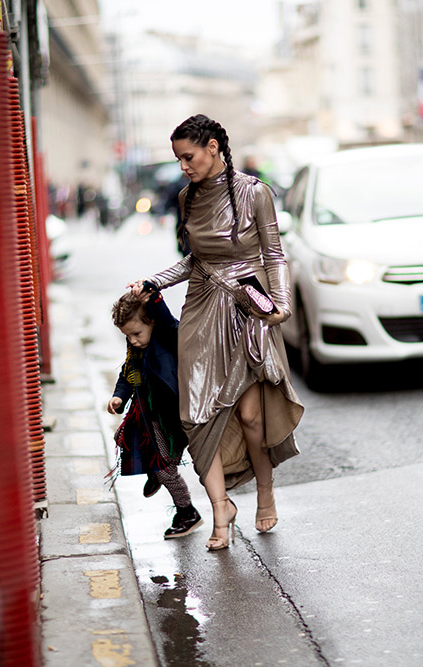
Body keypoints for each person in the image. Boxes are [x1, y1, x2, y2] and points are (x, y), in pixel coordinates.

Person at [129, 114, 303, 551]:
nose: (183, 167)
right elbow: (194, 260)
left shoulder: (255, 192)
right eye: (178, 159)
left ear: (212, 147)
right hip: (201, 309)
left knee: (250, 416)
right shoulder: (187, 197)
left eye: (188, 157)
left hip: (248, 308)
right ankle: (220, 509)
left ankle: (264, 490)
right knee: (196, 414)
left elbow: (274, 253)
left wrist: (280, 305)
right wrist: (156, 281)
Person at [107, 290, 203, 540]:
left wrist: (154, 297)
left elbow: (169, 321)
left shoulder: (167, 336)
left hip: (173, 418)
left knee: (164, 469)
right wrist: (120, 396)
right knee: (124, 438)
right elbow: (128, 372)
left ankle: (187, 512)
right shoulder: (136, 347)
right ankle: (154, 469)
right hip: (148, 414)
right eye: (128, 336)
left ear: (151, 322)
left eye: (137, 333)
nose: (133, 340)